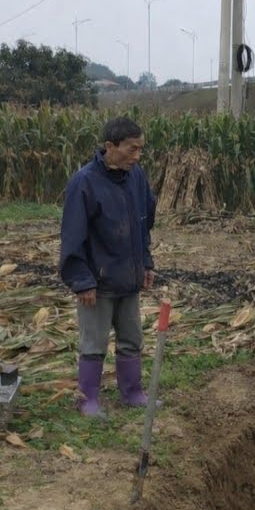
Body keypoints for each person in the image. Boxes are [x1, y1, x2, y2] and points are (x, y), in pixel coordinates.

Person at [58, 116, 157, 417]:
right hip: (97, 284)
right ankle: (87, 399)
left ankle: (133, 392)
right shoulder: (84, 183)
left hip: (129, 278)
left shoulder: (136, 177)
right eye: (132, 149)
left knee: (131, 339)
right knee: (94, 343)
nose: (137, 156)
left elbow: (143, 224)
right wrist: (81, 280)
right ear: (110, 147)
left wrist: (146, 263)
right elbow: (73, 235)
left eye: (140, 149)